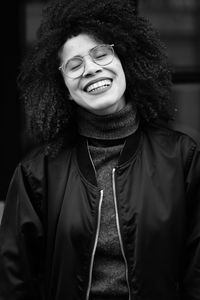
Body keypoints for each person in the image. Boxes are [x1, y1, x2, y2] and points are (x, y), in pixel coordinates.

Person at [0, 0, 200, 299]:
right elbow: (15, 282)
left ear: (125, 62)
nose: (91, 69)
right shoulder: (37, 171)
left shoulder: (181, 156)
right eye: (74, 65)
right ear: (63, 88)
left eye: (101, 55)